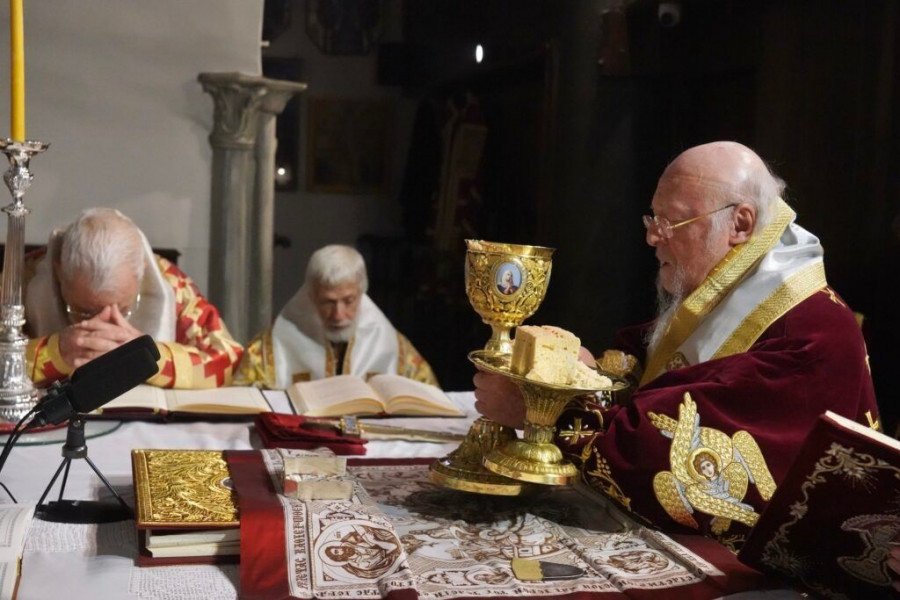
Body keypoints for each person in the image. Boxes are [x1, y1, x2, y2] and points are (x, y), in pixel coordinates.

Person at [474, 141, 879, 550]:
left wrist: (543, 411)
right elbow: (655, 365)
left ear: (740, 224)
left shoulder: (812, 334)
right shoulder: (733, 286)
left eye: (671, 223)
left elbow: (665, 459)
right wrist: (587, 377)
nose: (652, 237)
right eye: (652, 218)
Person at [23, 208, 243, 388]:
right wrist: (54, 353)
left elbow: (229, 362)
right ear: (60, 272)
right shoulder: (23, 280)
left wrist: (151, 357)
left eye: (124, 308)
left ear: (142, 274)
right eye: (85, 312)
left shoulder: (169, 283)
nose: (106, 326)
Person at [237, 244, 437, 388]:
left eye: (349, 301)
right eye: (328, 302)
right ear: (311, 296)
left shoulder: (394, 347)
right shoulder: (270, 349)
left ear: (362, 292)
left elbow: (430, 399)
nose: (338, 315)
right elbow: (243, 402)